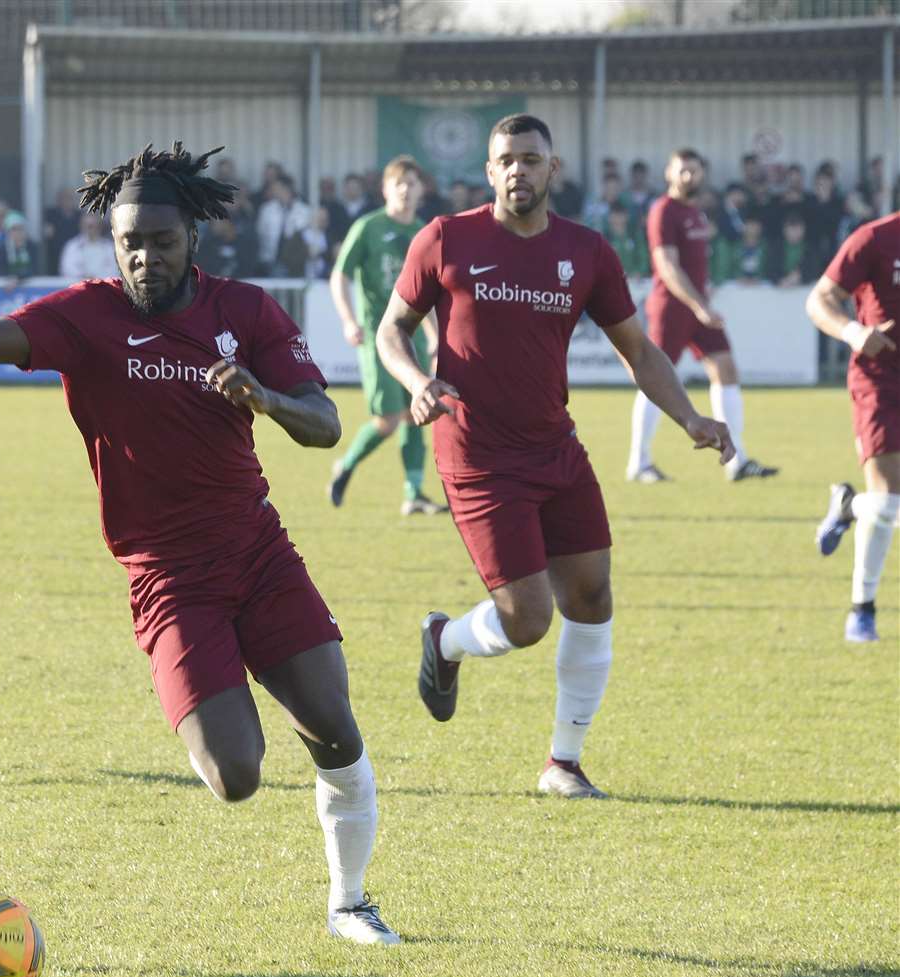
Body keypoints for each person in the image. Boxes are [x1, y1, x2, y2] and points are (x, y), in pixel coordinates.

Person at [0, 142, 401, 946]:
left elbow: (326, 423)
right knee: (236, 777)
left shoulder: (247, 312)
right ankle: (212, 684)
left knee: (335, 727)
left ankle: (350, 901)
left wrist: (264, 397)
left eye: (160, 242)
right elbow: (2, 335)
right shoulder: (86, 316)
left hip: (257, 553)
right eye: (129, 242)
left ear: (192, 239)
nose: (143, 256)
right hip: (168, 578)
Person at [376, 114, 733, 799]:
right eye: (506, 159)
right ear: (489, 171)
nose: (518, 170)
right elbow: (393, 330)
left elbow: (639, 349)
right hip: (477, 454)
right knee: (528, 620)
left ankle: (563, 765)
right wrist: (418, 381)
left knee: (593, 595)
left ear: (552, 168)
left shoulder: (587, 252)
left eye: (530, 159)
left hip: (555, 447)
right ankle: (445, 640)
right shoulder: (447, 238)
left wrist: (688, 414)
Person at [625, 148, 778, 484]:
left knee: (726, 368)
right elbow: (666, 266)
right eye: (682, 171)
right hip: (673, 307)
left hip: (698, 308)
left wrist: (701, 305)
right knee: (655, 378)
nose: (689, 177)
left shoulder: (697, 213)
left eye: (694, 171)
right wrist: (699, 305)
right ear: (669, 173)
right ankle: (639, 462)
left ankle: (737, 461)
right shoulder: (663, 211)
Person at [326, 155, 446, 516]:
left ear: (422, 189)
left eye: (413, 183)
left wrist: (435, 336)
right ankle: (345, 465)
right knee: (388, 420)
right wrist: (348, 320)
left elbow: (428, 293)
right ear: (386, 190)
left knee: (418, 412)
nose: (407, 190)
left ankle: (413, 494)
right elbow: (340, 276)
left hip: (414, 338)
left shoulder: (425, 233)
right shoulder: (368, 227)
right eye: (400, 184)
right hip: (380, 339)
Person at [804, 210, 900, 643]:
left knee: (886, 506)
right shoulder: (874, 238)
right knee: (887, 501)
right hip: (880, 379)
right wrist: (853, 332)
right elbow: (819, 299)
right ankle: (862, 611)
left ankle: (847, 507)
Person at [57, 211, 117, 280]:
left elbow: (114, 271)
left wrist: (96, 279)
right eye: (88, 226)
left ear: (100, 226)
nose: (91, 230)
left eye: (93, 226)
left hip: (103, 288)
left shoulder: (109, 247)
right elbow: (66, 270)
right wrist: (84, 277)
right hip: (79, 288)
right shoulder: (72, 247)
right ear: (81, 226)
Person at [0, 211, 38, 280]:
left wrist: (19, 278)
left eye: (20, 229)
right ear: (7, 232)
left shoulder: (32, 247)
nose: (18, 232)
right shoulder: (1, 249)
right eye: (14, 229)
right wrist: (10, 278)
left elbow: (37, 269)